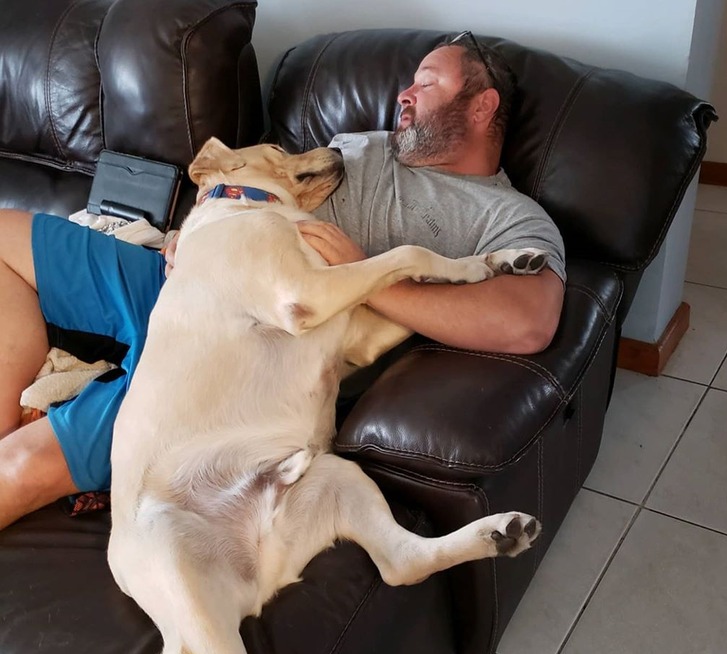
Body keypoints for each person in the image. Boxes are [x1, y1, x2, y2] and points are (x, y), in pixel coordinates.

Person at [0, 33, 565, 531]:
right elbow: (252, 183)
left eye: (427, 83)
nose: (403, 94)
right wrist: (194, 227)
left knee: (22, 468)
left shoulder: (506, 217)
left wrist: (367, 275)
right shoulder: (361, 145)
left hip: (247, 351)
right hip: (186, 279)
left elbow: (527, 322)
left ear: (483, 106)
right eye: (408, 83)